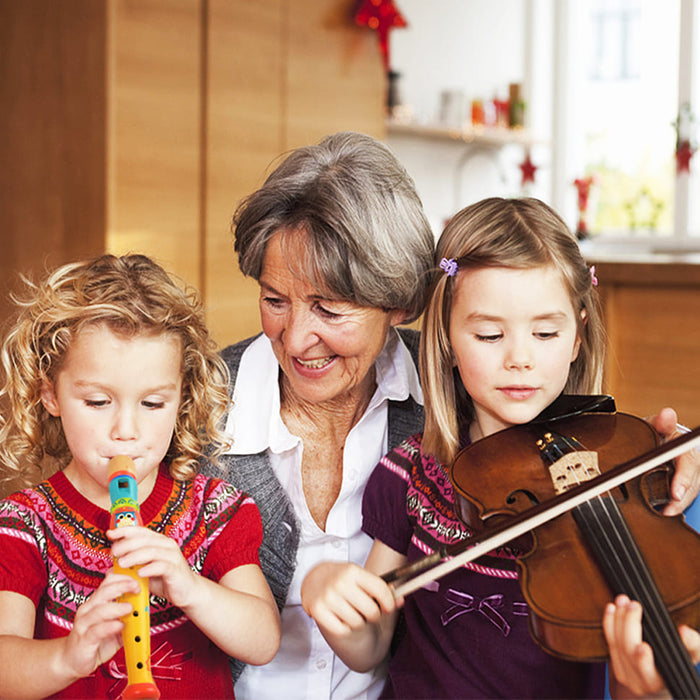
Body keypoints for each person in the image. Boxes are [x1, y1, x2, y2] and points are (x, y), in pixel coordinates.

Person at [300, 197, 700, 698]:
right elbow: (372, 647)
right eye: (490, 334)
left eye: (546, 332)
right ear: (446, 336)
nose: (520, 359)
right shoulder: (411, 476)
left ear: (577, 335)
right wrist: (332, 602)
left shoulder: (627, 465)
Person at [202, 131, 435, 700]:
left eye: (329, 308)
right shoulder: (196, 400)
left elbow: (558, 428)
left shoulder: (448, 397)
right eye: (275, 300)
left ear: (397, 302)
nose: (298, 338)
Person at [0, 254, 280, 699]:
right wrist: (66, 657)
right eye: (97, 402)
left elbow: (263, 640)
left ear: (182, 398)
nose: (126, 431)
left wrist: (188, 587)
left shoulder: (215, 510)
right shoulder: (24, 524)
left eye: (152, 405)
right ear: (50, 394)